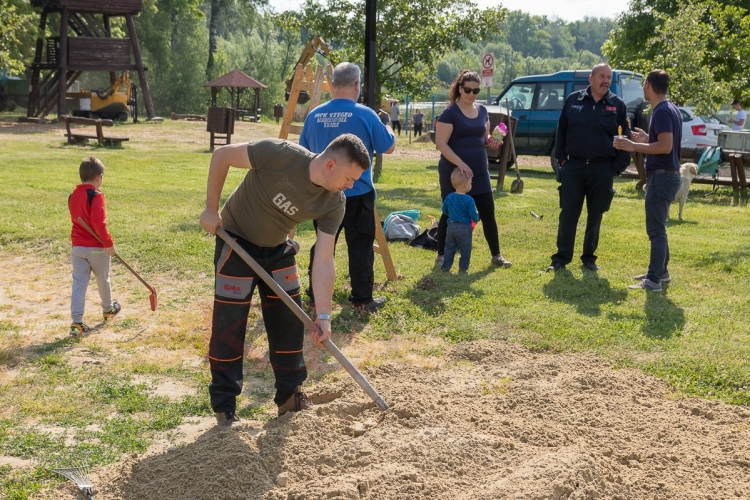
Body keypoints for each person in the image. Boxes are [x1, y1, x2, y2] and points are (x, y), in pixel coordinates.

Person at [199, 134, 371, 426]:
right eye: (349, 178)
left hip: (278, 250)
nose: (351, 186)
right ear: (330, 164)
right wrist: (211, 209)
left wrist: (325, 316)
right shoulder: (278, 154)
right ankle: (225, 407)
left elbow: (325, 260)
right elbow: (223, 155)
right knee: (230, 326)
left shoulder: (334, 202)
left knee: (291, 323)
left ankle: (290, 398)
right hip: (236, 242)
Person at [299, 62, 396, 312]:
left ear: (331, 85)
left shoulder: (314, 115)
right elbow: (389, 146)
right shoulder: (365, 114)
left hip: (324, 192)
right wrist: (387, 124)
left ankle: (314, 291)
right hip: (357, 192)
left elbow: (303, 153)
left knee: (323, 243)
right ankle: (362, 299)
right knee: (361, 244)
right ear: (357, 85)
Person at [546, 63, 631, 273]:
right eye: (602, 76)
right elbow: (561, 132)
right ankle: (560, 259)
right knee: (568, 214)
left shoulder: (617, 105)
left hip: (602, 168)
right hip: (573, 166)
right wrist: (563, 161)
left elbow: (625, 138)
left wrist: (615, 168)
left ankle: (589, 259)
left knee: (596, 215)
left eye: (609, 77)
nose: (606, 81)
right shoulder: (573, 100)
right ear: (591, 79)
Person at [434, 69, 512, 268]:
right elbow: (441, 143)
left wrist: (492, 142)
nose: (471, 94)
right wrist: (460, 163)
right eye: (467, 89)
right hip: (455, 173)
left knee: (488, 212)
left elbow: (483, 138)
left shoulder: (483, 111)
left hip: (478, 171)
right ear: (460, 89)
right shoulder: (449, 113)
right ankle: (441, 255)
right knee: (450, 211)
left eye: (475, 90)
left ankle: (496, 256)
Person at [614, 69, 682, 292]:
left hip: (662, 178)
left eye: (644, 84)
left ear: (651, 86)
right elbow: (661, 142)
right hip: (668, 177)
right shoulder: (670, 108)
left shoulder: (661, 111)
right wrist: (646, 139)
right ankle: (661, 272)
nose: (643, 88)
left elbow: (665, 147)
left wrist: (634, 146)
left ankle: (653, 280)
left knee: (656, 231)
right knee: (660, 227)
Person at [68, 157, 121, 335]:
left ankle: (76, 323)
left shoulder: (73, 195)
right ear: (99, 177)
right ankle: (108, 310)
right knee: (102, 278)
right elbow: (99, 224)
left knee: (79, 283)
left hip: (77, 248)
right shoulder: (96, 195)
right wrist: (109, 244)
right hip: (96, 248)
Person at [441, 168, 479, 273]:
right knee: (465, 249)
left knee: (449, 247)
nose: (471, 184)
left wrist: (452, 214)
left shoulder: (449, 197)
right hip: (464, 228)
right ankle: (463, 268)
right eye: (470, 182)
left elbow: (444, 210)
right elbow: (473, 214)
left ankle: (446, 266)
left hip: (451, 227)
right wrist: (477, 218)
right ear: (466, 185)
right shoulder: (469, 200)